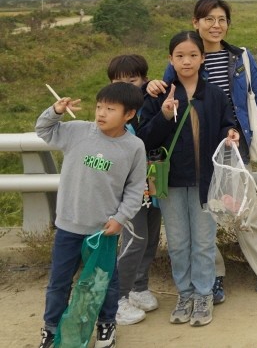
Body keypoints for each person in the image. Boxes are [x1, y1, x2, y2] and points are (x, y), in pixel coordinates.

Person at [148, 0, 257, 302]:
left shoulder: (241, 57)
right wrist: (151, 86)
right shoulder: (186, 55)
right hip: (194, 150)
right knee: (205, 214)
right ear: (195, 22)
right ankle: (212, 276)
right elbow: (166, 100)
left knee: (245, 210)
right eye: (208, 19)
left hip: (233, 146)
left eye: (221, 19)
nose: (215, 25)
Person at [138, 31, 240, 327]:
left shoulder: (215, 94)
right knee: (178, 243)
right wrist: (164, 115)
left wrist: (231, 133)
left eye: (193, 55)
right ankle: (185, 294)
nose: (186, 61)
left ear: (202, 58)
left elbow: (227, 124)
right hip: (170, 181)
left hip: (206, 181)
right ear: (170, 59)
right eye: (180, 56)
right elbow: (144, 139)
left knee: (204, 242)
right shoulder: (158, 96)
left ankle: (204, 295)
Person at [36, 82, 147, 348]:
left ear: (129, 114)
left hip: (103, 231)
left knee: (104, 282)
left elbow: (135, 189)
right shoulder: (77, 131)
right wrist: (55, 111)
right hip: (68, 226)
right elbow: (43, 130)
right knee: (59, 282)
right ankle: (51, 329)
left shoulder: (134, 147)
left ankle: (107, 325)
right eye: (99, 107)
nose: (101, 113)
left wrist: (120, 219)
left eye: (110, 109)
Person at [106, 54, 161, 326]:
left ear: (144, 80)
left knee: (150, 236)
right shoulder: (111, 112)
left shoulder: (150, 104)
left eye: (133, 80)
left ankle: (139, 287)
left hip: (153, 182)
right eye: (119, 82)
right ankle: (116, 299)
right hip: (128, 189)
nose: (127, 87)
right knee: (134, 240)